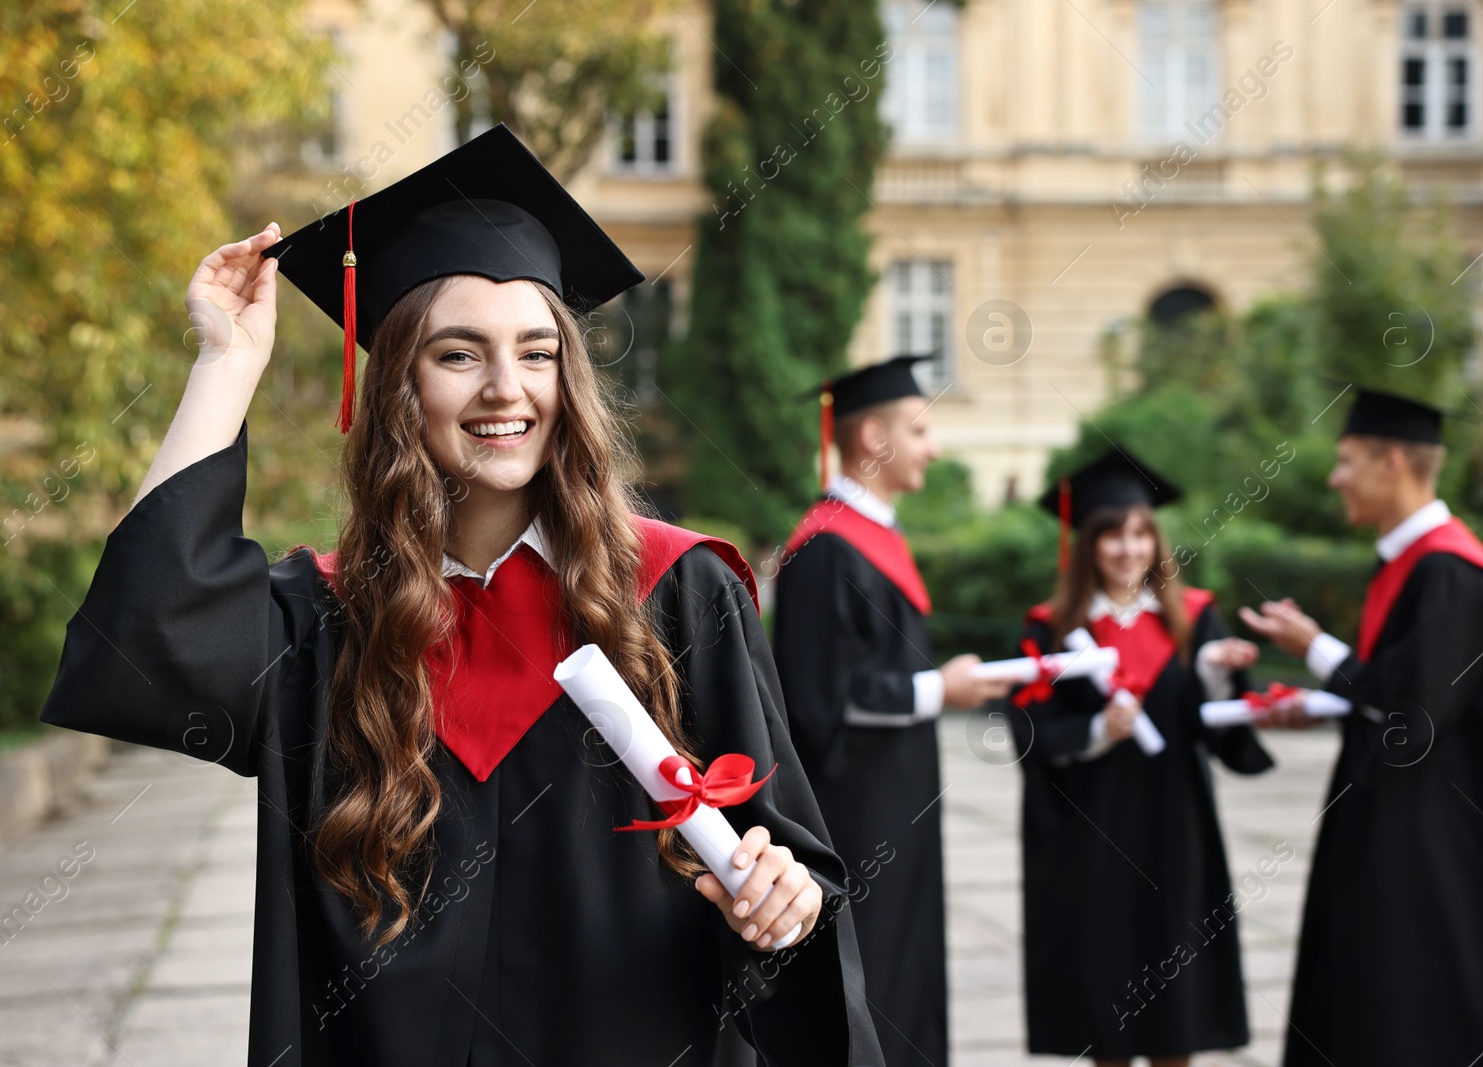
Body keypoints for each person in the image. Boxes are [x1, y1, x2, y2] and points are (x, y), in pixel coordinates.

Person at [40, 126, 884, 1066]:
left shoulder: (676, 591)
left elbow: (793, 862)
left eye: (536, 352)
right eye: (457, 354)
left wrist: (784, 897)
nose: (505, 389)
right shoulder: (327, 622)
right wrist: (225, 368)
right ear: (398, 379)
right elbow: (149, 633)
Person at [1239, 388, 1483, 1067]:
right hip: (1395, 828)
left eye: (1346, 461)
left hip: (1436, 847)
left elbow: (1416, 709)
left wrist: (1317, 646)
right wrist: (1323, 702)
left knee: (1410, 1008)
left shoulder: (1450, 571)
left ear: (1392, 462)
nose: (1335, 477)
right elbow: (1401, 690)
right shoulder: (1410, 563)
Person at [770, 355, 1013, 1067]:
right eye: (919, 428)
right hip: (857, 807)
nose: (932, 446)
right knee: (873, 960)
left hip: (898, 792)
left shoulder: (873, 536)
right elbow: (817, 701)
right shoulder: (824, 549)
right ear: (873, 436)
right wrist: (943, 690)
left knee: (908, 951)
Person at [1008, 449, 1274, 1067]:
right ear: (1086, 546)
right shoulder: (1049, 629)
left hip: (1173, 826)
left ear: (1156, 539)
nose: (1128, 550)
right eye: (1111, 537)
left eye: (1139, 534)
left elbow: (1218, 730)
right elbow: (1028, 729)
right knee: (1104, 992)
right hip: (1090, 836)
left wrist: (1214, 676)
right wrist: (1098, 727)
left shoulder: (1194, 620)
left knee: (1175, 991)